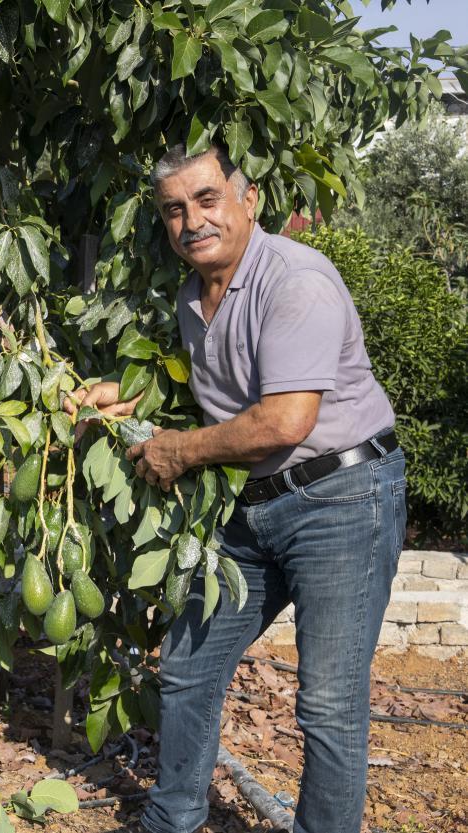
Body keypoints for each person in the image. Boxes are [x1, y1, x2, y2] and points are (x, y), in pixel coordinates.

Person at [67, 145, 405, 833]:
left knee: (329, 703)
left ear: (247, 200)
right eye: (174, 210)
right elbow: (219, 408)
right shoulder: (194, 298)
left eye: (207, 199)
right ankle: (173, 818)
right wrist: (121, 399)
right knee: (190, 664)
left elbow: (285, 418)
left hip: (342, 497)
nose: (192, 220)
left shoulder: (294, 280)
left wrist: (180, 452)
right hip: (254, 505)